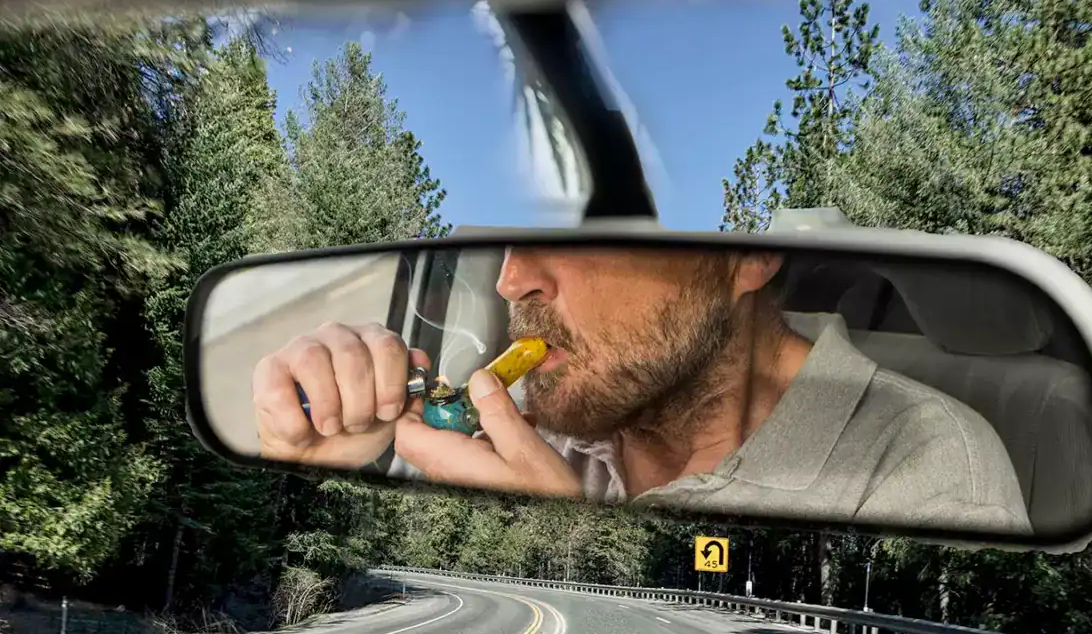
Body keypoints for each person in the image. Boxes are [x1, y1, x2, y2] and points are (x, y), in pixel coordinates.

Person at [251, 246, 1033, 533]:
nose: (512, 280)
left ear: (745, 258)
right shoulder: (524, 427)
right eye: (509, 239)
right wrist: (316, 459)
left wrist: (564, 537)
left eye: (575, 236)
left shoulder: (924, 466)